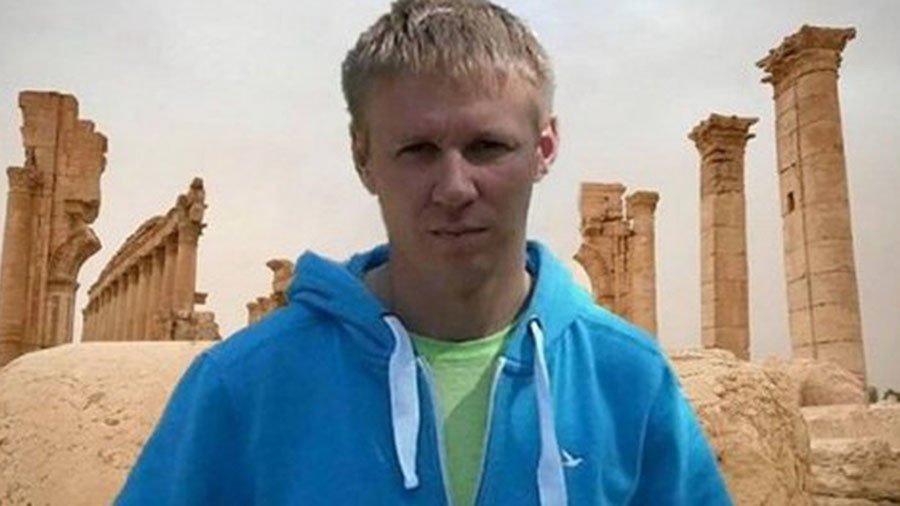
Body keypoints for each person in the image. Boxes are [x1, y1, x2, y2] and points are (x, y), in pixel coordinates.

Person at [116, 0, 732, 504]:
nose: (455, 187)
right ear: (363, 157)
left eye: (487, 146)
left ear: (544, 148)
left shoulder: (629, 379)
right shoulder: (243, 388)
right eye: (418, 150)